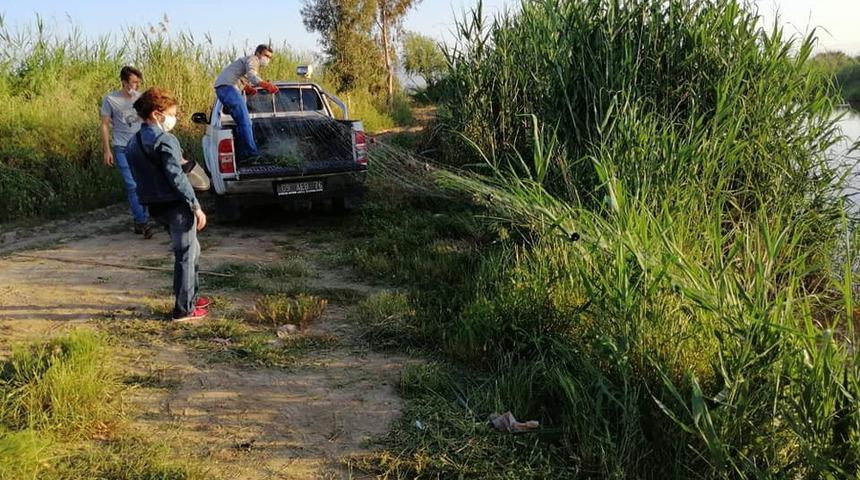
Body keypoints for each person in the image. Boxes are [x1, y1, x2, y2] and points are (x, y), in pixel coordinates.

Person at [125, 87, 210, 322]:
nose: (174, 118)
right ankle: (184, 309)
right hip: (175, 205)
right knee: (186, 255)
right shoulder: (165, 139)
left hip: (154, 205)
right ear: (156, 114)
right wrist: (195, 205)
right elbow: (177, 176)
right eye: (171, 114)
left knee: (192, 250)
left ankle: (190, 297)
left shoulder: (133, 142)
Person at [100, 66, 152, 237]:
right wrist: (107, 150)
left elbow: (149, 121)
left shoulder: (141, 98)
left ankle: (142, 218)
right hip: (122, 147)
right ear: (124, 82)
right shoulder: (110, 99)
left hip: (140, 146)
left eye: (138, 82)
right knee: (132, 185)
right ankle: (142, 221)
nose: (136, 85)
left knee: (144, 183)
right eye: (133, 82)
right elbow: (104, 125)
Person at [213, 44, 279, 160]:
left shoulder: (245, 62)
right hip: (227, 88)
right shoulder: (253, 59)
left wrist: (246, 87)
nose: (267, 59)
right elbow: (252, 75)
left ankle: (243, 154)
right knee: (245, 122)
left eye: (270, 57)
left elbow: (240, 77)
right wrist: (265, 85)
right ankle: (252, 154)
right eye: (266, 56)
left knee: (241, 123)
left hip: (224, 89)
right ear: (258, 53)